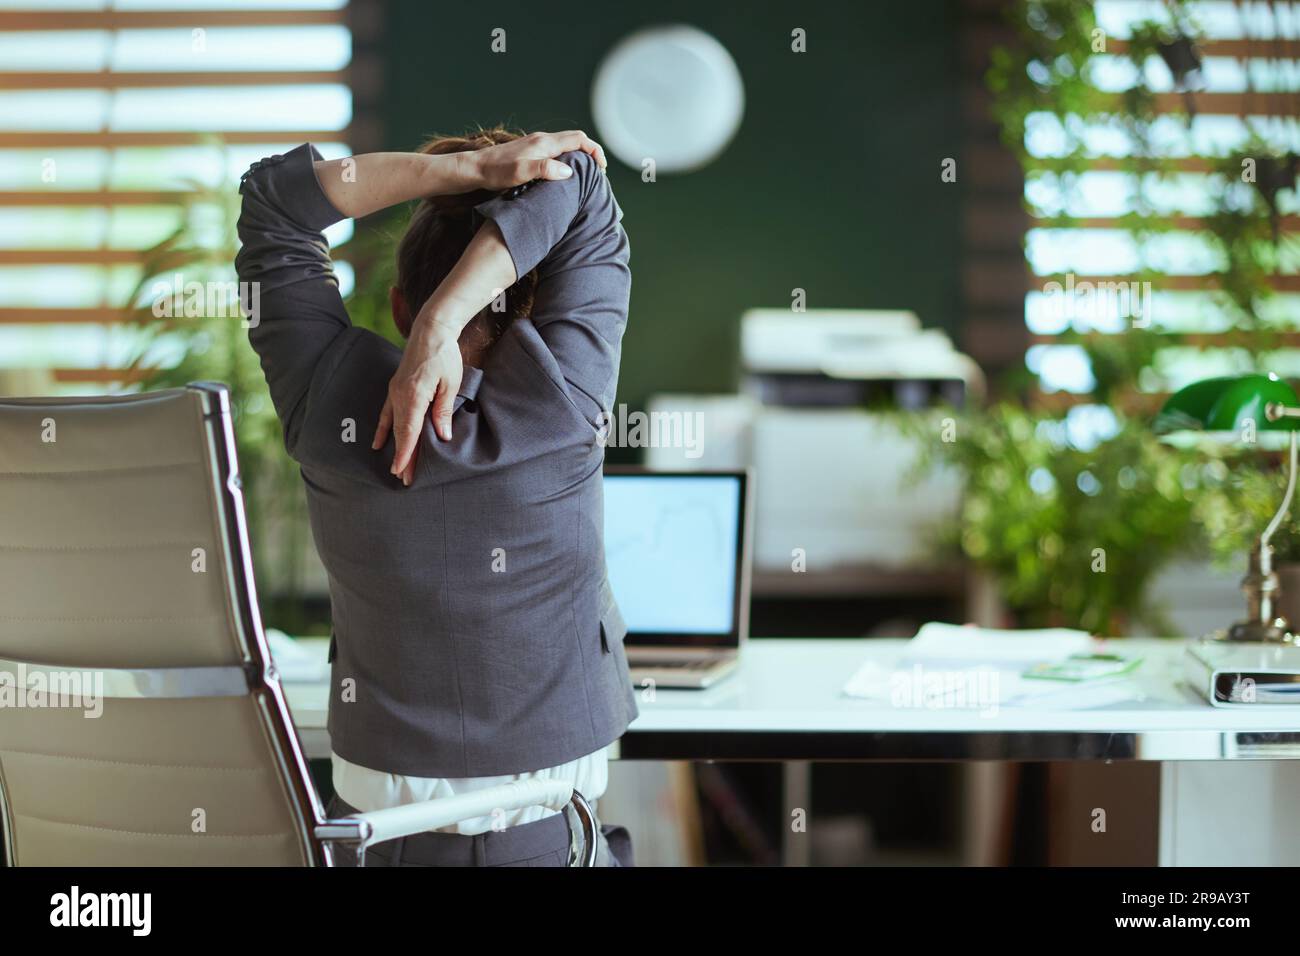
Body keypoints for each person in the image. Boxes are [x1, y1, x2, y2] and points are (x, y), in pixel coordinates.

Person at [235, 128, 636, 866]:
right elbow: (581, 178)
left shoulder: (325, 405)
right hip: (549, 849)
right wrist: (444, 322)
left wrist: (463, 172)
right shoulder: (567, 396)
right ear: (535, 300)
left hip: (374, 850)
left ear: (395, 306)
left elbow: (272, 200)